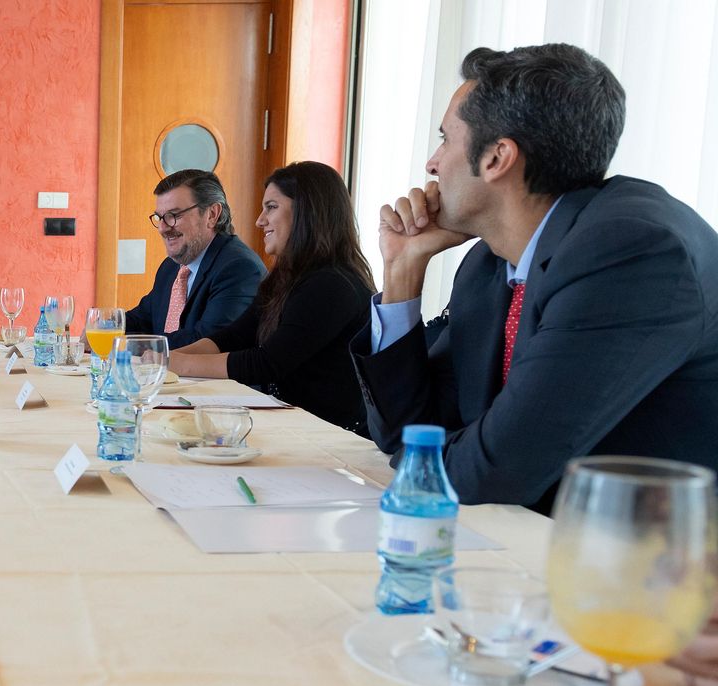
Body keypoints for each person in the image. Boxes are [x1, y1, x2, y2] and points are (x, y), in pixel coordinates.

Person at [352, 43, 718, 510]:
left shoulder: (629, 252)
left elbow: (494, 473)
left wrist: (429, 458)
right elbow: (410, 436)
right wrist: (402, 271)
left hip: (652, 547)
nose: (433, 164)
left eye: (445, 140)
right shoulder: (489, 263)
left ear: (497, 158)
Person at [168, 162, 373, 433]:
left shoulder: (334, 284)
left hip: (330, 437)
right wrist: (163, 360)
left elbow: (268, 362)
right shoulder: (286, 277)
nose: (260, 220)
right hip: (291, 425)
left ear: (307, 211)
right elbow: (233, 337)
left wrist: (177, 364)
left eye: (271, 207)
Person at [127, 169, 266, 350]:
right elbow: (142, 320)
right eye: (160, 217)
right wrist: (103, 327)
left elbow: (206, 342)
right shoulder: (171, 267)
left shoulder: (239, 268)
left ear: (212, 214)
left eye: (174, 215)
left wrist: (128, 345)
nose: (162, 228)